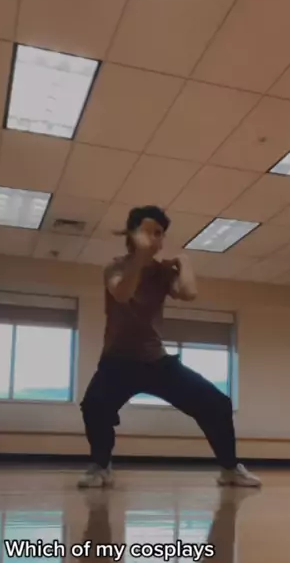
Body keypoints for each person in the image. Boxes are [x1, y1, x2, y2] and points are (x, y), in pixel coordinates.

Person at [78, 206, 261, 490]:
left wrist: (184, 262)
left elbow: (189, 292)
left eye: (160, 233)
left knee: (217, 404)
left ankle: (229, 469)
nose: (155, 238)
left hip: (156, 362)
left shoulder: (162, 273)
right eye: (148, 231)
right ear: (132, 234)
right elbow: (122, 294)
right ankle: (101, 467)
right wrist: (139, 258)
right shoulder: (115, 268)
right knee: (94, 406)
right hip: (117, 362)